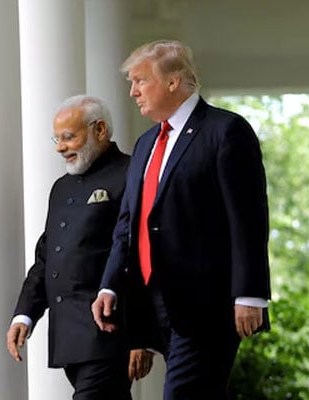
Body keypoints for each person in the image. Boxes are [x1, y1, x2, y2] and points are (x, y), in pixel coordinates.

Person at [91, 39, 271, 399]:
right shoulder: (144, 144)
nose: (133, 91)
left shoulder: (225, 131)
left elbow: (248, 217)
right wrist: (110, 284)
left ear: (173, 82)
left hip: (206, 305)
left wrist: (250, 294)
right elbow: (128, 223)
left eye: (141, 81)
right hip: (152, 301)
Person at [7, 95, 154, 400]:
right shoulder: (61, 188)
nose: (60, 147)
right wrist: (25, 314)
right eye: (57, 139)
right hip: (68, 336)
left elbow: (142, 253)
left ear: (99, 130)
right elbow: (47, 257)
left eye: (69, 137)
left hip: (111, 333)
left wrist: (144, 336)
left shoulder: (132, 174)